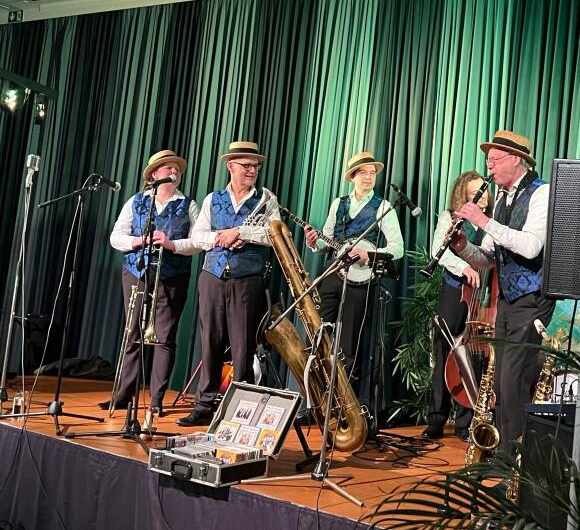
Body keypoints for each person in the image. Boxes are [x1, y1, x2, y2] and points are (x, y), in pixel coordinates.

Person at [451, 130, 556, 455]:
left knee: (512, 380)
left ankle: (513, 464)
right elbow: (488, 258)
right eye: (489, 160)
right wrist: (462, 247)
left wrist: (484, 221)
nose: (489, 166)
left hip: (533, 298)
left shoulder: (542, 193)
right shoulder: (502, 199)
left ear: (517, 160)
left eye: (495, 160)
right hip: (509, 300)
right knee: (500, 382)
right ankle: (506, 458)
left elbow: (531, 246)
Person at [177, 141, 279, 427]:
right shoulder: (213, 198)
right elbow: (198, 237)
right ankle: (204, 405)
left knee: (243, 346)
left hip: (246, 280)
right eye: (246, 166)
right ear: (231, 166)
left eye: (255, 166)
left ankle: (239, 410)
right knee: (210, 342)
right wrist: (220, 237)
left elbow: (274, 235)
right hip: (212, 277)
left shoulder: (267, 200)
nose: (252, 170)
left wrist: (241, 232)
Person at [106, 150, 200, 416]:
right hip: (136, 272)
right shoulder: (137, 201)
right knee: (133, 332)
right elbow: (116, 236)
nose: (174, 171)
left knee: (164, 337)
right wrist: (138, 241)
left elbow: (198, 241)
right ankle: (124, 395)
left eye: (177, 168)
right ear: (155, 174)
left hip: (172, 275)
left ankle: (156, 399)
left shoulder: (188, 205)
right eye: (169, 167)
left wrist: (171, 244)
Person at [302, 151, 404, 393]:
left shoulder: (384, 207)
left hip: (361, 281)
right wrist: (313, 242)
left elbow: (397, 248)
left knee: (348, 342)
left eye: (372, 173)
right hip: (333, 273)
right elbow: (325, 241)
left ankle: (342, 397)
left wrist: (368, 254)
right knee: (317, 329)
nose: (368, 177)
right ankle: (314, 391)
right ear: (352, 177)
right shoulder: (338, 204)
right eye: (363, 173)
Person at [422, 171, 493, 441]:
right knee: (444, 352)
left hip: (481, 296)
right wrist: (463, 267)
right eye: (476, 193)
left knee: (472, 356)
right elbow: (437, 251)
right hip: (454, 292)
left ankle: (465, 421)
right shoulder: (449, 217)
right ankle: (436, 419)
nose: (483, 198)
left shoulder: (491, 222)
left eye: (484, 192)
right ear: (463, 195)